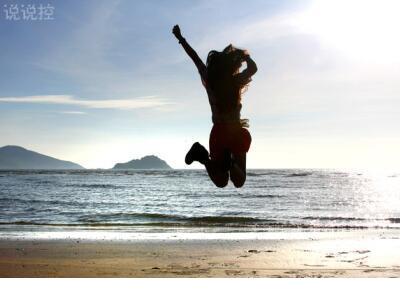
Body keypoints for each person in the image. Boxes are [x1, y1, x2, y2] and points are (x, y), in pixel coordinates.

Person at [172, 24, 257, 188]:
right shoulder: (234, 81)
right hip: (233, 131)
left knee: (222, 182)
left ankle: (205, 157)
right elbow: (253, 68)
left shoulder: (210, 79)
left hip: (221, 132)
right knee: (238, 181)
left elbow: (195, 58)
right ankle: (226, 162)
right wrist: (244, 56)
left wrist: (181, 39)